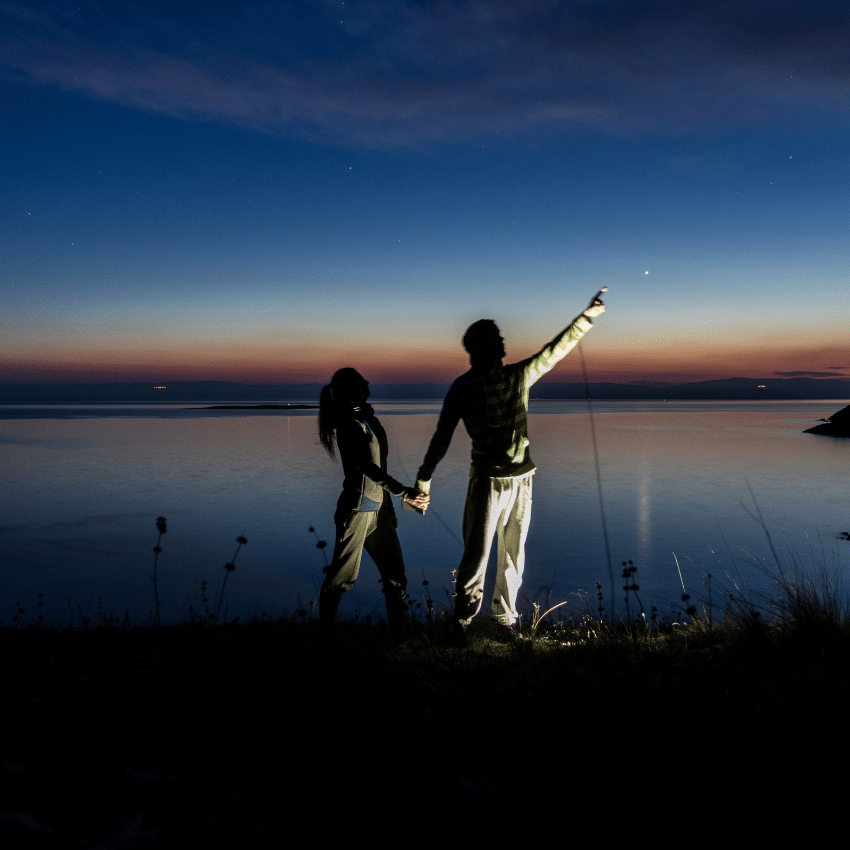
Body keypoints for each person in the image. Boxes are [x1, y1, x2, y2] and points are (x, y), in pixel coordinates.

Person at [415, 291, 606, 644]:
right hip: (487, 482)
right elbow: (441, 438)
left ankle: (505, 619)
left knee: (513, 553)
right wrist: (423, 481)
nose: (504, 341)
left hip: (522, 479)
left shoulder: (517, 376)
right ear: (482, 346)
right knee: (477, 554)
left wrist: (586, 318)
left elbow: (554, 352)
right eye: (497, 337)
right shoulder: (465, 387)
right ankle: (462, 623)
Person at [318, 368, 429, 642]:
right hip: (356, 512)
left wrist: (390, 510)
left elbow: (381, 466)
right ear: (349, 390)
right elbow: (366, 467)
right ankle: (323, 635)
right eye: (360, 381)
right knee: (341, 580)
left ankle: (400, 638)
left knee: (396, 577)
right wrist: (405, 493)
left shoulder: (367, 419)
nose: (367, 382)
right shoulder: (348, 423)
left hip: (379, 514)